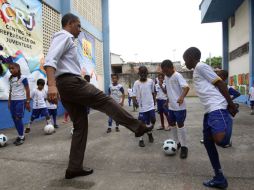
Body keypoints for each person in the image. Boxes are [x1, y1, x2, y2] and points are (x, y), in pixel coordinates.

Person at [44, 13, 151, 179]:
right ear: (70, 23)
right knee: (105, 100)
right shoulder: (63, 36)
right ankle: (138, 127)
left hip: (66, 85)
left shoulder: (67, 39)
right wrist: (51, 85)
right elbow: (50, 60)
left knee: (80, 125)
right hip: (71, 83)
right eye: (78, 26)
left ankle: (74, 168)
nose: (80, 30)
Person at [183, 47, 238, 189]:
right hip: (209, 110)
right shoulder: (196, 70)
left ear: (191, 57)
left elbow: (220, 83)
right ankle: (219, 177)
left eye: (185, 59)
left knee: (221, 140)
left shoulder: (201, 66)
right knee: (208, 143)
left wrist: (230, 105)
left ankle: (227, 119)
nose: (185, 62)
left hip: (217, 107)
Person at [161, 60, 190, 159]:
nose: (165, 73)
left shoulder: (177, 75)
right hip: (171, 107)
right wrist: (167, 101)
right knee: (172, 125)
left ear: (171, 67)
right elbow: (169, 91)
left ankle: (184, 147)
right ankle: (177, 143)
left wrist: (181, 97)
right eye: (164, 71)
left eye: (166, 71)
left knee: (180, 125)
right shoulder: (166, 77)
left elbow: (186, 88)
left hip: (180, 107)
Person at [133, 66, 156, 147]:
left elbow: (153, 92)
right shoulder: (136, 83)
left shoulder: (151, 81)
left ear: (147, 73)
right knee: (142, 123)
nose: (143, 74)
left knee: (152, 120)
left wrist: (154, 101)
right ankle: (141, 139)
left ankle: (149, 132)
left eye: (144, 72)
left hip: (151, 105)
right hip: (142, 107)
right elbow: (133, 94)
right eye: (141, 73)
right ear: (139, 73)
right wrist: (135, 101)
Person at [8, 63, 30, 145]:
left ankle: (22, 137)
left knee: (18, 118)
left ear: (18, 68)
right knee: (14, 119)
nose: (11, 70)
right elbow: (10, 91)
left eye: (13, 68)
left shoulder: (23, 78)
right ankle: (20, 135)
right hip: (13, 102)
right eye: (10, 68)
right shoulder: (10, 79)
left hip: (20, 101)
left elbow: (27, 90)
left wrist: (27, 102)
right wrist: (9, 101)